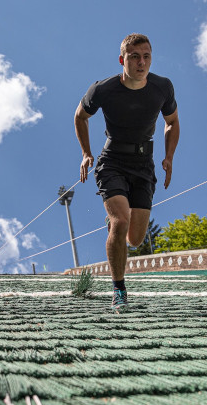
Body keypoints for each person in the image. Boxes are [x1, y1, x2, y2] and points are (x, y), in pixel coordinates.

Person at [75, 33, 180, 310]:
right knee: (120, 221)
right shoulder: (103, 89)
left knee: (134, 239)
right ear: (122, 60)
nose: (141, 62)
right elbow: (80, 116)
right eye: (134, 57)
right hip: (112, 161)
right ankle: (119, 289)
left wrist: (169, 157)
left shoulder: (162, 87)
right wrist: (86, 153)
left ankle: (115, 223)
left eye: (146, 56)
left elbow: (172, 122)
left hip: (144, 164)